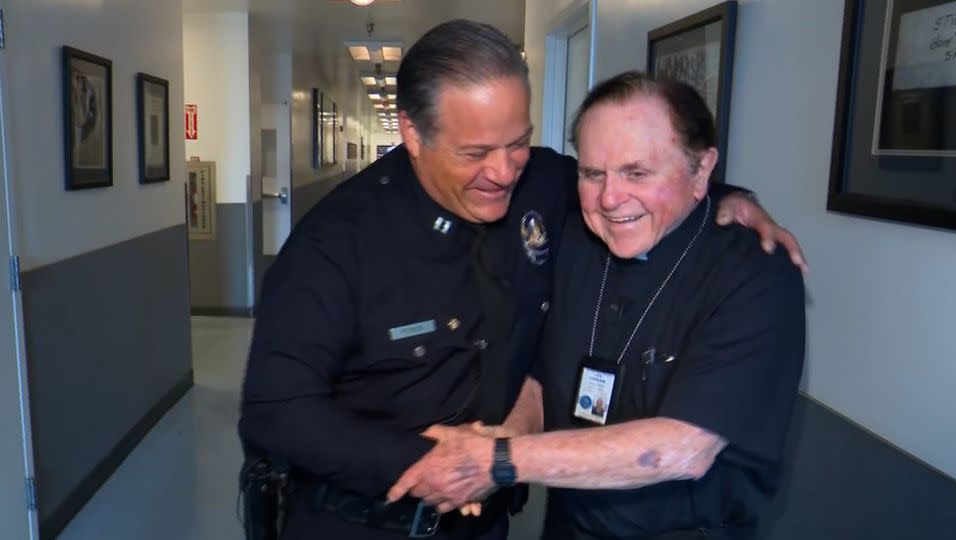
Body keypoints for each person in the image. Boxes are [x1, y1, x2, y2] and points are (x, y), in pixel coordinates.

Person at [240, 20, 805, 540]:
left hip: (489, 522)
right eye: (475, 152)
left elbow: (649, 181)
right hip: (364, 521)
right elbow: (275, 409)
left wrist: (736, 200)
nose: (503, 171)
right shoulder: (334, 243)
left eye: (517, 143)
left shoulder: (546, 186)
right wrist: (425, 462)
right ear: (412, 133)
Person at [386, 73, 806, 540]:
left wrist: (497, 461)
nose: (610, 198)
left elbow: (684, 449)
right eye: (592, 174)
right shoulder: (572, 243)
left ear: (702, 170)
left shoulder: (755, 272)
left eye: (637, 173)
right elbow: (542, 376)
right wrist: (506, 437)